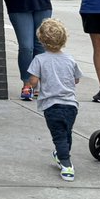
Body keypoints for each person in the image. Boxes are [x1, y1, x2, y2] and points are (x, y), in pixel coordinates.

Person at [26, 18, 81, 182]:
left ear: (41, 40)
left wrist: (33, 84)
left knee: (58, 135)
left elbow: (34, 81)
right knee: (66, 132)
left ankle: (66, 165)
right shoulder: (70, 59)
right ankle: (62, 153)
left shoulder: (40, 60)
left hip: (52, 105)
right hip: (71, 105)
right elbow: (76, 79)